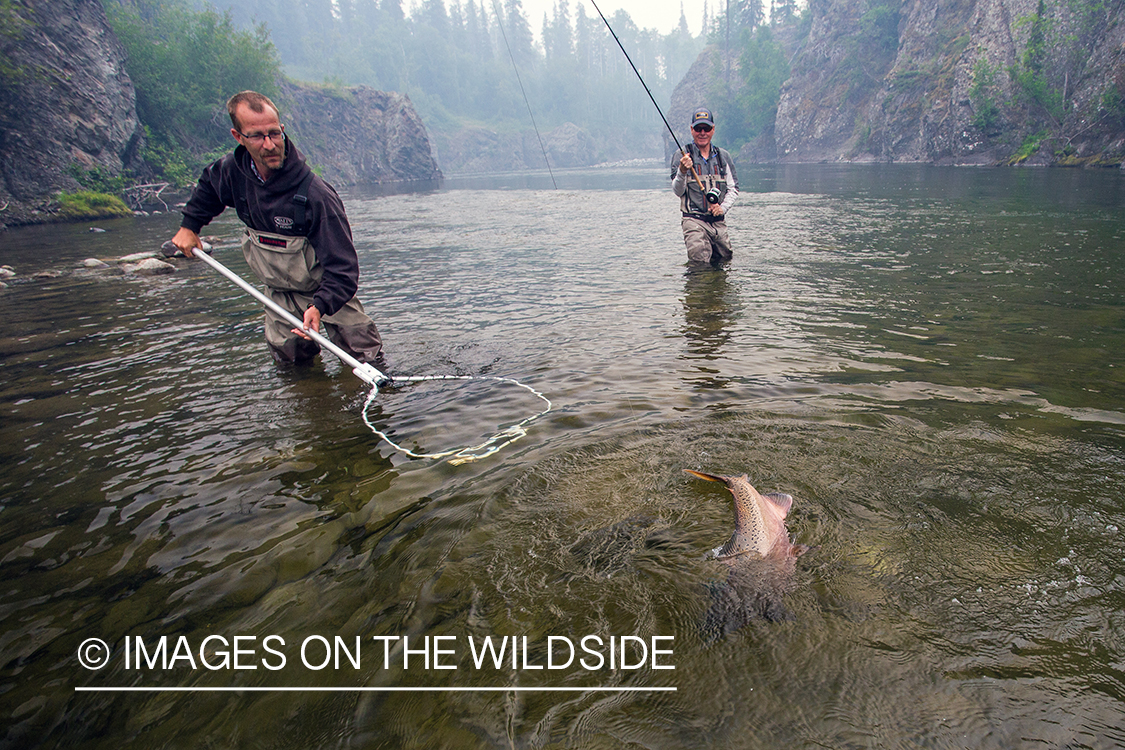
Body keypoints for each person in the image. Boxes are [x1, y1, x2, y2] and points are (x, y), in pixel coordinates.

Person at [169, 90, 387, 370]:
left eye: (275, 133)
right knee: (293, 369)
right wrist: (190, 226)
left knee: (367, 361)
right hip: (278, 294)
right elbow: (209, 188)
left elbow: (344, 270)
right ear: (238, 137)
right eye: (258, 136)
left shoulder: (316, 196)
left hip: (329, 291)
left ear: (283, 130)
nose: (270, 144)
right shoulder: (231, 172)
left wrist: (319, 306)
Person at [671, 107, 739, 266]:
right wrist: (682, 171)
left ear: (713, 130)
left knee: (725, 261)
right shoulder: (681, 155)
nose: (702, 132)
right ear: (691, 130)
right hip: (693, 220)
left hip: (718, 222)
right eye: (698, 128)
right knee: (700, 263)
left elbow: (733, 188)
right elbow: (677, 191)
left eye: (706, 128)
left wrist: (722, 208)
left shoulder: (724, 157)